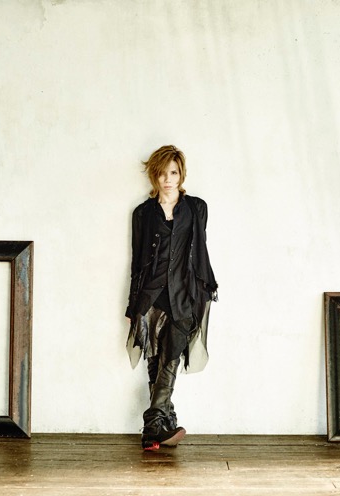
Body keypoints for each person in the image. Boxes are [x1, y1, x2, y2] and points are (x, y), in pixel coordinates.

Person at [125, 144, 218, 450]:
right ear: (154, 175)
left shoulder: (196, 208)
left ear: (181, 175)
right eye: (163, 173)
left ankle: (152, 424)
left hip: (184, 296)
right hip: (151, 296)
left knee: (171, 357)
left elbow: (198, 253)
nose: (168, 179)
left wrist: (203, 291)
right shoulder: (143, 213)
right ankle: (164, 423)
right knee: (155, 360)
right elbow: (137, 262)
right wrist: (133, 306)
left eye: (174, 173)